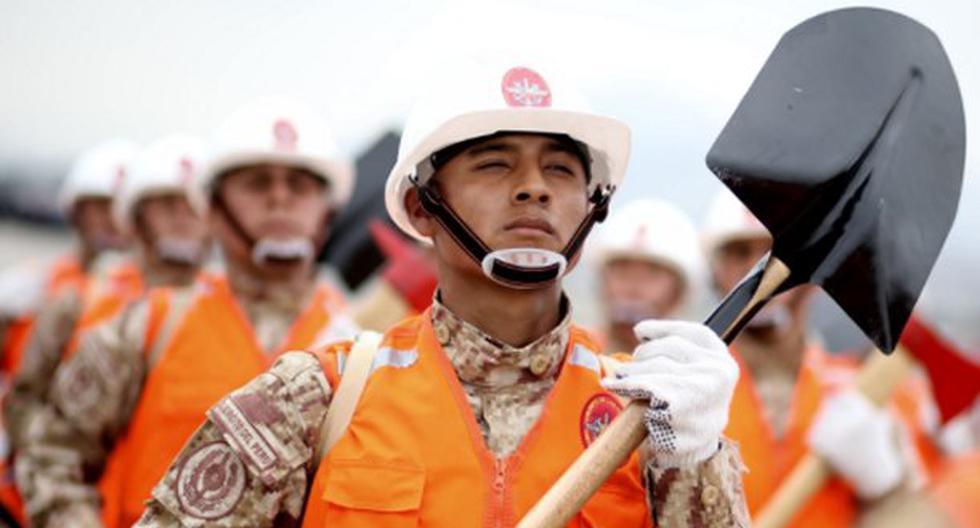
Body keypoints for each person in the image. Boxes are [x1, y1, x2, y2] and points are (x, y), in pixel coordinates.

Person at [136, 58, 748, 527]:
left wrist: (697, 459)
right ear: (420, 206)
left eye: (560, 169)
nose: (534, 188)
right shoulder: (314, 397)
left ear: (594, 209)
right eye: (494, 163)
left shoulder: (647, 419)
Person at [17, 99, 359, 528]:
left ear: (327, 212)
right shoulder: (148, 325)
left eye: (300, 185)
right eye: (257, 183)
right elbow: (52, 454)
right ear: (213, 210)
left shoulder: (361, 346)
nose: (279, 198)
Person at [703, 189, 931, 526]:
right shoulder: (689, 393)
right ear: (715, 272)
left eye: (775, 251)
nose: (760, 269)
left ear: (814, 274)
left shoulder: (864, 398)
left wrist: (887, 487)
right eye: (739, 253)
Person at [3, 134, 209, 457]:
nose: (182, 218)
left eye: (194, 207)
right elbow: (24, 400)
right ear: (138, 216)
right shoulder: (77, 299)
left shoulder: (232, 310)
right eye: (169, 205)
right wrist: (51, 468)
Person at [0, 139, 135, 376]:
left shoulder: (159, 300)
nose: (114, 220)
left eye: (122, 208)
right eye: (101, 207)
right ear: (77, 212)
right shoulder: (30, 287)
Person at [591, 198, 702, 353]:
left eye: (652, 273)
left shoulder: (700, 368)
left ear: (679, 293)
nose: (633, 287)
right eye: (622, 269)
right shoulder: (570, 355)